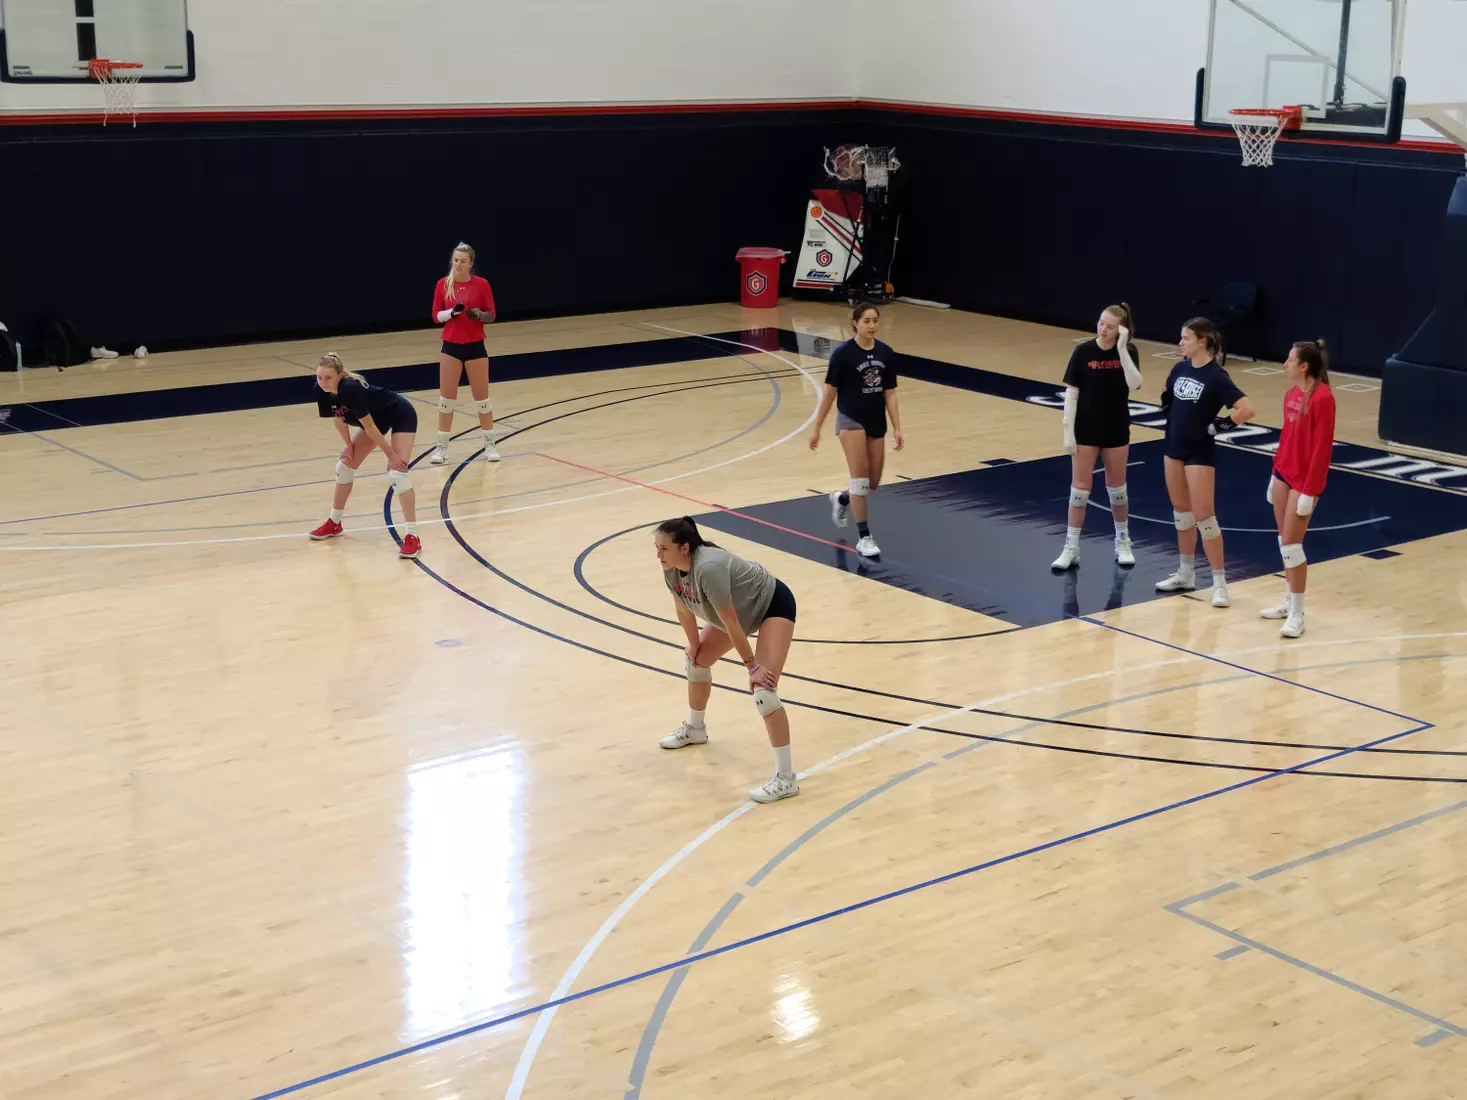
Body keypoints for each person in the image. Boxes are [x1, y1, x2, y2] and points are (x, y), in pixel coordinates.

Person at [654, 517, 801, 804]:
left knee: (764, 693)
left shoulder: (709, 568)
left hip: (772, 603)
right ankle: (696, 730)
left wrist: (753, 668)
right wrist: (694, 646)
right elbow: (684, 611)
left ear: (685, 548)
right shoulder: (670, 569)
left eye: (663, 548)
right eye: (656, 548)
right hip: (740, 614)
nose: (658, 555)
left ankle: (786, 780)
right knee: (695, 663)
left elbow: (730, 622)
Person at [1156, 317, 1255, 606]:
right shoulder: (1179, 368)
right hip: (1173, 447)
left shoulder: (1216, 376)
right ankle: (1185, 573)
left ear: (1202, 341)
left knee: (1205, 517)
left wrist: (1216, 428)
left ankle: (1220, 583)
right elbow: (1166, 391)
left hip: (1199, 452)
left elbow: (1246, 408)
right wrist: (1170, 414)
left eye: (1185, 338)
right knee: (1181, 514)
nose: (1180, 343)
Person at [809, 302, 905, 558]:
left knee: (872, 482)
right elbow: (830, 392)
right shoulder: (843, 354)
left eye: (875, 321)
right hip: (851, 420)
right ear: (855, 323)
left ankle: (841, 499)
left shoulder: (886, 353)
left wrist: (897, 427)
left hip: (876, 421)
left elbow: (890, 392)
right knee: (860, 479)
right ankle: (864, 538)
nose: (872, 326)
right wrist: (817, 427)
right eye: (867, 321)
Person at [1052, 302, 1143, 570]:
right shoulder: (1083, 351)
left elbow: (1135, 383)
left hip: (1115, 428)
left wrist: (1123, 347)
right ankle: (1071, 548)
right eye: (1101, 323)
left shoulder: (1129, 351)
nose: (1103, 329)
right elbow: (1072, 393)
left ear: (1122, 329)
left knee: (1117, 491)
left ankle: (1123, 541)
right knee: (1079, 491)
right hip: (1086, 430)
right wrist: (1068, 431)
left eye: (1110, 326)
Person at [308, 353, 422, 560]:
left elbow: (369, 426)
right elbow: (338, 418)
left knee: (397, 473)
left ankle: (412, 536)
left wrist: (391, 455)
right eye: (319, 377)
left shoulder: (350, 388)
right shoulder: (321, 390)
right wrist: (349, 446)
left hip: (400, 414)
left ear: (340, 375)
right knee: (344, 466)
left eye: (328, 378)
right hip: (375, 422)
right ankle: (335, 523)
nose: (323, 382)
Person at [1262, 339, 1336, 638]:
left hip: (1304, 482)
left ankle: (1297, 614)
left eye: (1290, 360)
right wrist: (1274, 473)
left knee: (1293, 546)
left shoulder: (1322, 398)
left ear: (1303, 366)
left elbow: (1322, 450)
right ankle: (1287, 599)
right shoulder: (1292, 393)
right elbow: (1287, 439)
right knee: (1284, 543)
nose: (1285, 364)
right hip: (1283, 474)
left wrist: (1310, 490)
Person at [429, 242, 498, 465]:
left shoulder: (482, 285)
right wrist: (451, 313)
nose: (458, 264)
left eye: (463, 261)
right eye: (455, 260)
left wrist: (479, 315)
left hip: (475, 346)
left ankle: (490, 445)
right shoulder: (443, 284)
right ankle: (441, 448)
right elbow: (435, 315)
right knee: (446, 401)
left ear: (471, 263)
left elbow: (492, 314)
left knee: (482, 401)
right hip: (451, 347)